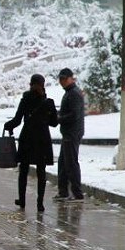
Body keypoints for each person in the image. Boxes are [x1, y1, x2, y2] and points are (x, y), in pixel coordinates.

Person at [4, 74, 58, 212]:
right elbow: (54, 123)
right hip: (42, 140)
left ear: (30, 84)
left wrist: (7, 126)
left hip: (27, 138)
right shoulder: (48, 102)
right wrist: (46, 117)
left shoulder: (25, 100)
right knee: (41, 172)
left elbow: (17, 120)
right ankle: (40, 203)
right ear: (43, 85)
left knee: (23, 171)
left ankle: (22, 200)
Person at [54, 68, 85, 202]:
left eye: (64, 79)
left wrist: (59, 119)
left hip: (72, 133)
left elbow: (74, 115)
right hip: (68, 132)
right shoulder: (69, 93)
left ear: (71, 78)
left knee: (71, 163)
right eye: (60, 79)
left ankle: (77, 193)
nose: (62, 82)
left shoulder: (74, 94)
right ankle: (63, 192)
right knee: (63, 163)